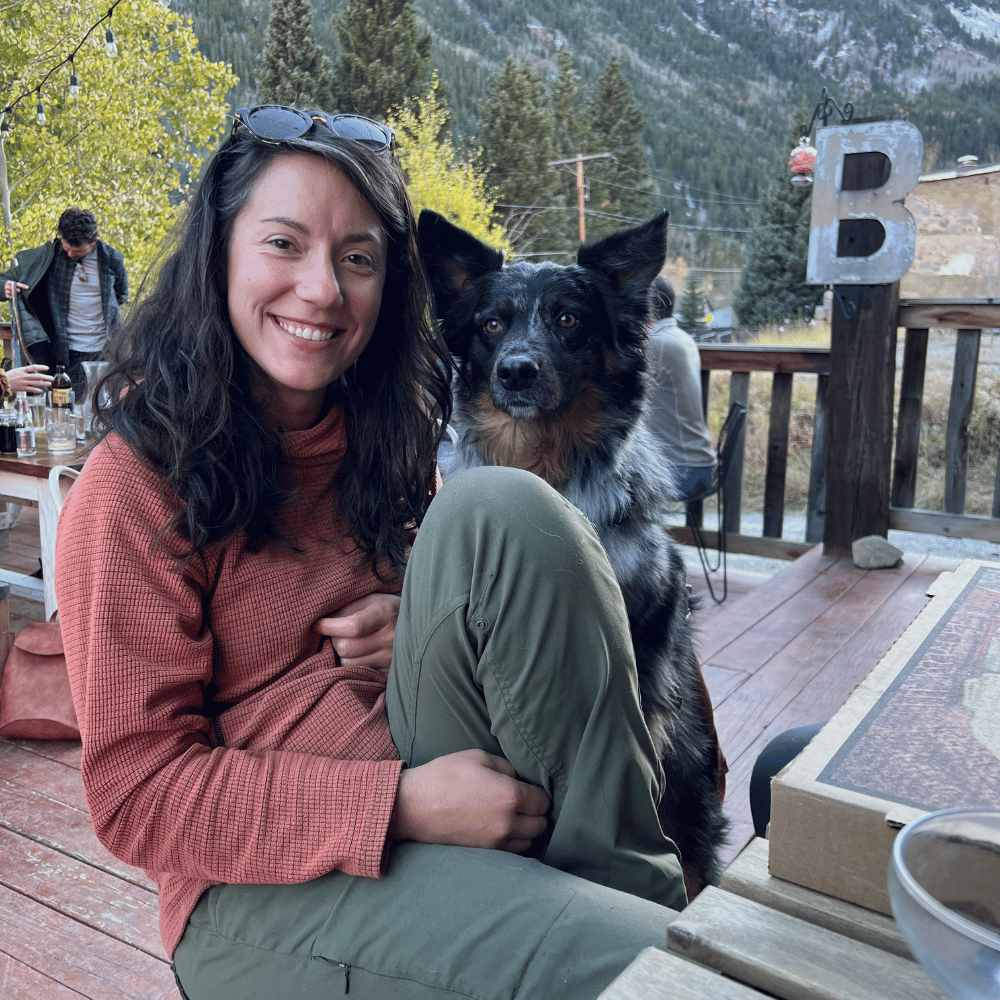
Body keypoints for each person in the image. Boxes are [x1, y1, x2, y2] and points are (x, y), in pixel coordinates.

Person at [55, 106, 688, 1000]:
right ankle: (643, 952)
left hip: (431, 761)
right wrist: (402, 805)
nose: (321, 289)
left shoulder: (383, 438)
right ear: (219, 256)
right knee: (650, 968)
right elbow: (138, 798)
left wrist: (415, 612)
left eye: (357, 258)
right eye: (284, 243)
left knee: (506, 506)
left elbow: (456, 599)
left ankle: (625, 892)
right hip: (256, 890)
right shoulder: (131, 488)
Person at [1, 207, 128, 401]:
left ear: (93, 242)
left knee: (108, 406)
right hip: (65, 354)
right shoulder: (47, 259)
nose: (69, 253)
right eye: (66, 247)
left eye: (76, 251)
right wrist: (5, 288)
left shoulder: (113, 259)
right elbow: (3, 280)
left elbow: (121, 296)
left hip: (107, 351)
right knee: (67, 406)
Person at [645, 275, 717, 501]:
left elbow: (614, 394)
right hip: (697, 464)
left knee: (602, 480)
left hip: (683, 470)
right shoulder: (680, 337)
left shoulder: (657, 345)